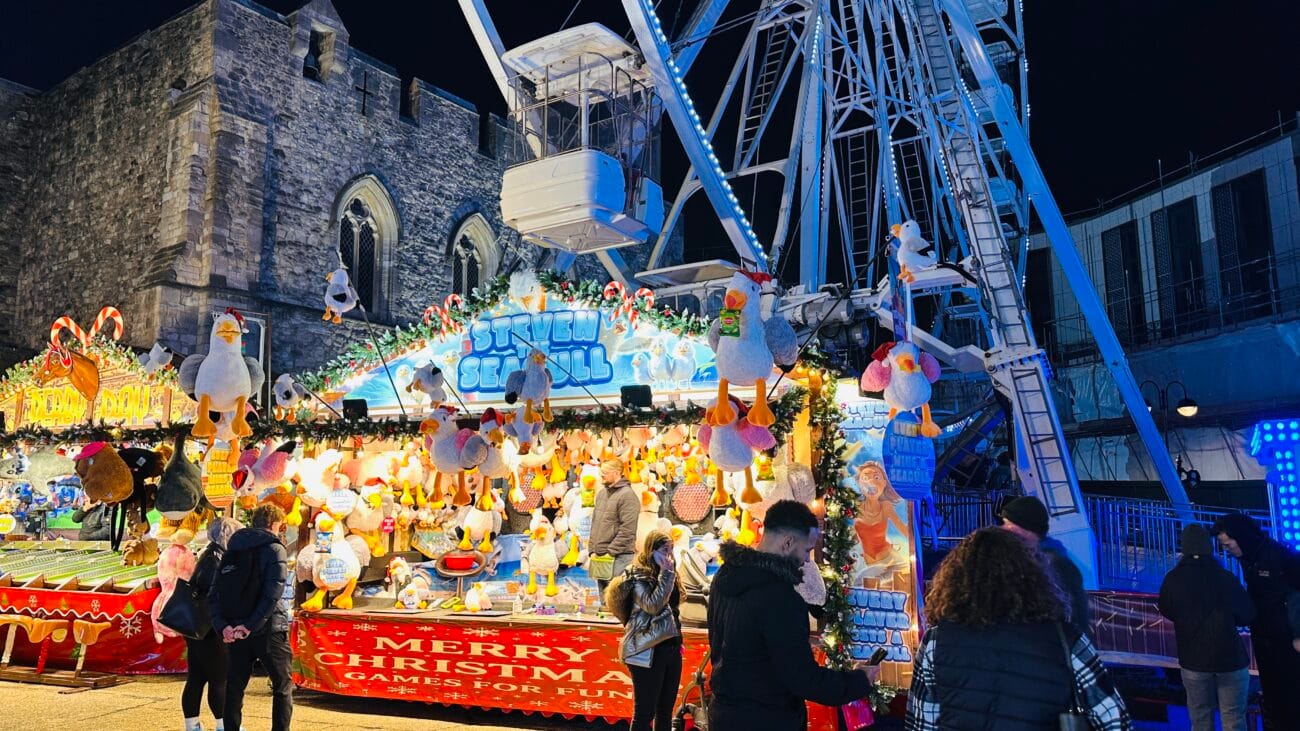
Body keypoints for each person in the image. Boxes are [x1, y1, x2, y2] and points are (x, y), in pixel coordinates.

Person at [905, 527, 1131, 730]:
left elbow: (923, 721)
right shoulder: (1064, 638)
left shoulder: (937, 639)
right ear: (1032, 577)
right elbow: (1113, 717)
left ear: (955, 580)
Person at [707, 499, 875, 730]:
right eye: (806, 550)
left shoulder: (725, 574)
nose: (807, 559)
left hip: (724, 714)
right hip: (768, 719)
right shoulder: (779, 597)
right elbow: (803, 678)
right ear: (787, 542)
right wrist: (859, 681)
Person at [1157, 524, 1255, 731]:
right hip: (1230, 659)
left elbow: (1166, 609)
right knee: (1233, 718)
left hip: (1193, 660)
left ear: (1184, 548)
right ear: (1208, 548)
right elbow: (1246, 613)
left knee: (1200, 718)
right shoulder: (1225, 578)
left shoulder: (1173, 579)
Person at [1211, 512, 1300, 730]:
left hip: (1286, 640)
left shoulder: (1279, 557)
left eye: (1228, 544)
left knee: (1292, 694)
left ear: (1241, 538)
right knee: (1274, 695)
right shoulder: (1248, 559)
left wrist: (1298, 632)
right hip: (1265, 638)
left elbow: (1296, 594)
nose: (1227, 551)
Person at [209, 505, 292, 731]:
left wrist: (223, 626)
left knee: (234, 686)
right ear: (274, 523)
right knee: (282, 686)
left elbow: (214, 593)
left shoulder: (232, 549)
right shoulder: (275, 549)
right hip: (268, 631)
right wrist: (251, 625)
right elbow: (272, 594)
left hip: (235, 629)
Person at [611, 529, 683, 731]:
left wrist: (678, 642)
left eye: (671, 549)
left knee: (665, 711)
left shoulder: (669, 572)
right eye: (664, 549)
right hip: (646, 649)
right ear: (651, 550)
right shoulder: (638, 575)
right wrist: (667, 573)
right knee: (644, 713)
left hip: (670, 647)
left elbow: (673, 611)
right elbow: (653, 605)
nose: (669, 554)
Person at [182, 517, 244, 731]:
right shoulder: (217, 559)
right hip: (210, 629)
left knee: (197, 677)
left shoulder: (207, 555)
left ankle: (192, 725)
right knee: (220, 678)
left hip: (196, 628)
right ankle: (224, 725)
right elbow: (216, 596)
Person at [999, 495, 1090, 636]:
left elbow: (1076, 614)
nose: (1004, 529)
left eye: (1009, 524)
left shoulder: (1055, 563)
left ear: (1027, 528)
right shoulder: (1018, 559)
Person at [589, 457, 640, 595]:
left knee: (617, 602)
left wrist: (610, 551)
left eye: (605, 472)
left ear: (617, 473)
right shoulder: (601, 494)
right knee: (604, 604)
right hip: (600, 557)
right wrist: (592, 550)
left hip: (619, 557)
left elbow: (628, 530)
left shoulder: (628, 496)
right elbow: (595, 524)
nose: (602, 475)